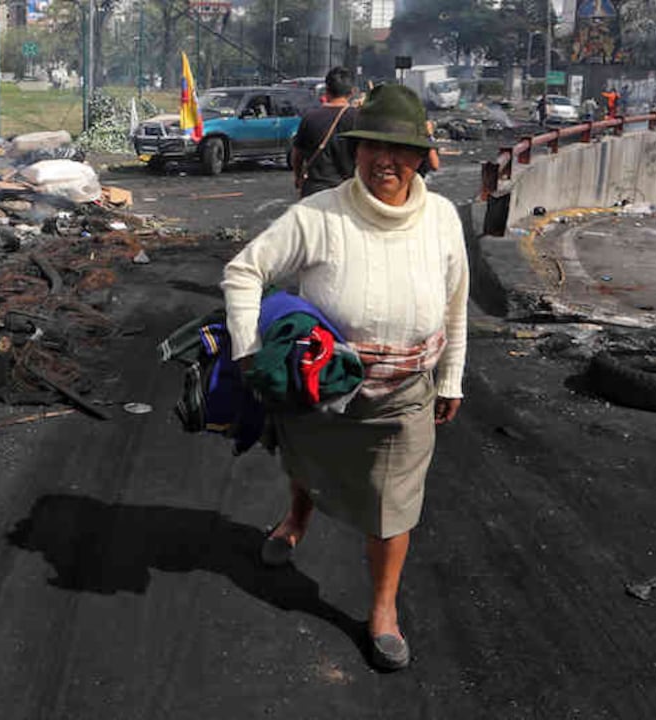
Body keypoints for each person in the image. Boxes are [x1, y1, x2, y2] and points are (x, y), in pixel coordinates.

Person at [221, 84, 468, 672]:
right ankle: (296, 518)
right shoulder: (319, 216)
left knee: (394, 503)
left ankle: (383, 610)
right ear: (355, 151)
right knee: (307, 461)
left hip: (403, 396)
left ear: (421, 156)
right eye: (372, 146)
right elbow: (243, 270)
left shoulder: (441, 220)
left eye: (400, 148)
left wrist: (452, 377)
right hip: (320, 385)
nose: (386, 159)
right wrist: (248, 350)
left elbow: (457, 303)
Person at [291, 67, 358, 198]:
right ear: (352, 92)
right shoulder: (358, 118)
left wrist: (298, 176)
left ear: (326, 90)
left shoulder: (310, 118)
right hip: (346, 192)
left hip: (315, 191)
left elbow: (297, 155)